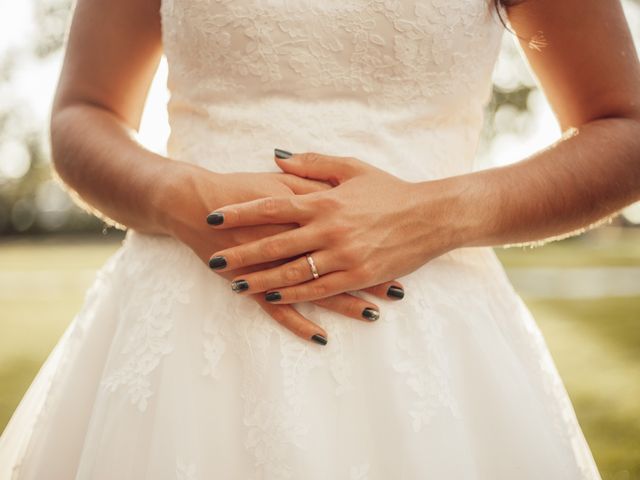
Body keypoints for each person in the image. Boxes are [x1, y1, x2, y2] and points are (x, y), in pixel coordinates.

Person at [1, 0, 639, 477]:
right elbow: (83, 111)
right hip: (181, 327)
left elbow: (624, 128)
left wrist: (434, 214)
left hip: (423, 333)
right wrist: (181, 199)